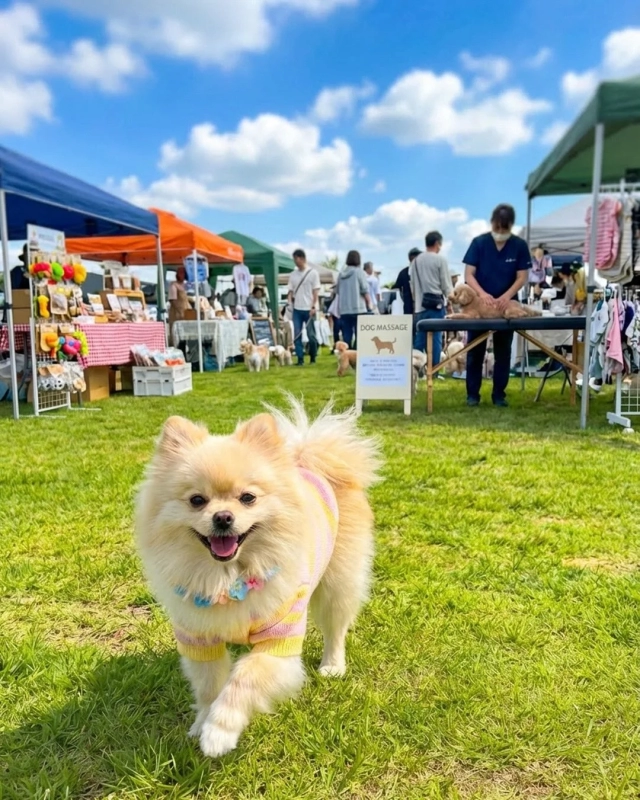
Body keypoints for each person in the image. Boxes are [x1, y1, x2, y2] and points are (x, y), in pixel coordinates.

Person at [462, 203, 531, 407]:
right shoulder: (479, 243)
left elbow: (522, 276)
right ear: (492, 223)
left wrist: (506, 296)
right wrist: (482, 295)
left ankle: (499, 394)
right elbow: (469, 274)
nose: (500, 232)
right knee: (475, 349)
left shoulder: (518, 245)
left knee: (503, 351)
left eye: (504, 228)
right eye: (497, 227)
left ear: (510, 226)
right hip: (480, 305)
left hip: (505, 307)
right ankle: (472, 394)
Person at [411, 231, 453, 376]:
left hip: (420, 306)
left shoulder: (415, 261)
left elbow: (413, 286)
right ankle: (433, 371)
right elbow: (446, 285)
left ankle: (415, 370)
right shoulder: (440, 259)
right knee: (436, 339)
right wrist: (451, 302)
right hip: (436, 306)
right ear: (437, 243)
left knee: (420, 339)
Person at [287, 249, 320, 366]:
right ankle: (300, 359)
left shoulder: (313, 273)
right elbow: (290, 290)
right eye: (294, 259)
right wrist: (289, 303)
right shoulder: (293, 274)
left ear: (302, 259)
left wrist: (313, 306)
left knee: (311, 335)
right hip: (297, 309)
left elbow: (315, 291)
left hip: (309, 308)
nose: (295, 262)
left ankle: (313, 358)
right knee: (297, 334)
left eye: (297, 259)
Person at [336, 250, 372, 348]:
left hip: (344, 310)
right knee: (359, 336)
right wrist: (370, 304)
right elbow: (365, 289)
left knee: (347, 336)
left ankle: (345, 357)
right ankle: (356, 357)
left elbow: (338, 290)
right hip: (358, 308)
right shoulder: (359, 272)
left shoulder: (340, 274)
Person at [393, 248, 420, 315]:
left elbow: (396, 287)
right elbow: (396, 288)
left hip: (415, 306)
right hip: (410, 307)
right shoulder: (404, 273)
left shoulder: (403, 272)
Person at [168, 265, 191, 345]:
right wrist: (180, 312)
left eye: (183, 273)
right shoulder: (173, 285)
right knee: (176, 334)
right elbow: (172, 300)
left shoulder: (185, 285)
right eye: (180, 273)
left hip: (185, 313)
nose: (182, 275)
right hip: (176, 313)